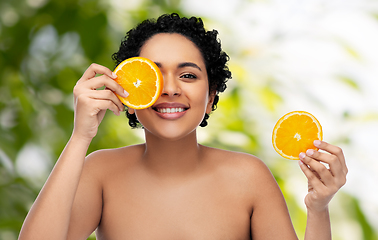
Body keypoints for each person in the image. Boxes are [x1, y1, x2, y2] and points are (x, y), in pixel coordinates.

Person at [18, 13, 347, 240]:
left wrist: (318, 208)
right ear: (129, 91)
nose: (170, 88)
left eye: (188, 75)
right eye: (154, 75)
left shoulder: (249, 177)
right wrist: (80, 137)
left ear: (211, 95)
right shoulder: (101, 172)